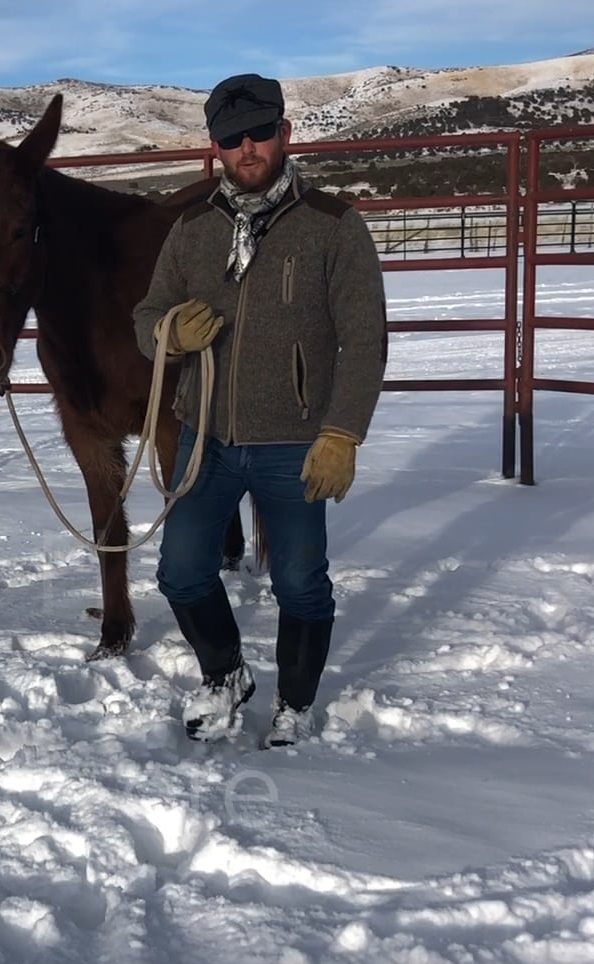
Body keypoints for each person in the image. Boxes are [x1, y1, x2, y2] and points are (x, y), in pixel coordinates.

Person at [133, 73, 387, 748]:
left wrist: (342, 432)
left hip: (294, 439)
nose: (246, 148)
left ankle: (295, 702)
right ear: (215, 148)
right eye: (230, 138)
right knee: (181, 571)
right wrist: (167, 335)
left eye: (258, 132)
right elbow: (147, 313)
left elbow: (364, 337)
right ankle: (226, 674)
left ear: (284, 133)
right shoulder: (190, 230)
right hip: (206, 434)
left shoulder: (333, 225)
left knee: (302, 582)